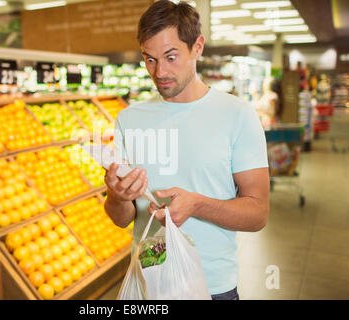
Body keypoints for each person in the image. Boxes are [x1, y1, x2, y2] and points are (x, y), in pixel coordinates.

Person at [103, 0, 269, 300]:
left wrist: (198, 205)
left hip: (213, 288)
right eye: (149, 59)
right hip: (148, 283)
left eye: (170, 56)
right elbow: (122, 217)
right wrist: (116, 195)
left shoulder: (238, 114)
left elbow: (258, 213)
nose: (160, 71)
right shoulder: (128, 120)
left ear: (198, 47)